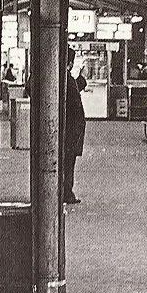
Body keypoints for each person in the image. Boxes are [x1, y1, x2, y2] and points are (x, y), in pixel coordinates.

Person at [63, 47, 87, 205]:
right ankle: (67, 193)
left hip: (68, 127)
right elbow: (74, 98)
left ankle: (66, 191)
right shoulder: (67, 78)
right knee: (68, 161)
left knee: (67, 160)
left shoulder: (64, 77)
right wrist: (82, 79)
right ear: (70, 63)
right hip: (70, 128)